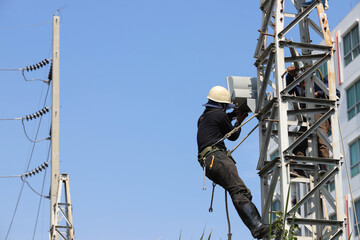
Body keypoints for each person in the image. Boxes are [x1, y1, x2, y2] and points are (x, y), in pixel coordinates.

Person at [197, 86, 270, 239]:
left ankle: (257, 225)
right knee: (239, 190)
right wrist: (239, 121)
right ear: (222, 105)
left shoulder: (204, 118)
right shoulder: (220, 115)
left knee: (235, 190)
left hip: (208, 163)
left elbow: (220, 121)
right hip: (217, 158)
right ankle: (257, 226)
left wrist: (231, 116)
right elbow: (233, 136)